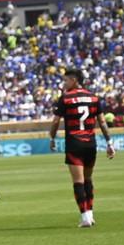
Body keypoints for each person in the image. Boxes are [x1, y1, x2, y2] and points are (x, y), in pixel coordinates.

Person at [49, 69, 114, 228]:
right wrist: (109, 142)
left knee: (78, 182)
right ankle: (90, 214)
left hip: (74, 143)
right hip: (90, 144)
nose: (64, 84)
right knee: (88, 180)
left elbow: (56, 121)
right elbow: (102, 122)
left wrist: (52, 138)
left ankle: (85, 217)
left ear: (74, 80)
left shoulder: (65, 99)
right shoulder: (93, 97)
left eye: (66, 81)